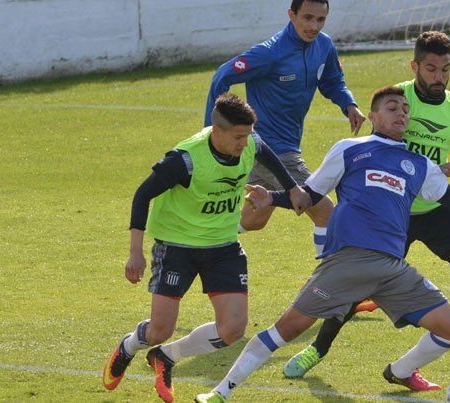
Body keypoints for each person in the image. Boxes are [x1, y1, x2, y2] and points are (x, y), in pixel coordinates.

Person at [194, 86, 450, 402]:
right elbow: (309, 195)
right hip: (347, 263)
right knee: (284, 330)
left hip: (392, 269)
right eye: (392, 108)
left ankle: (400, 371)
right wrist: (272, 197)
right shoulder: (350, 149)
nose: (401, 113)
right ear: (373, 116)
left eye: (405, 110)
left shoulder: (421, 166)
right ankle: (221, 392)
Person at [284, 31, 450, 382]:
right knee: (360, 282)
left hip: (436, 209)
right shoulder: (396, 100)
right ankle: (317, 349)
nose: (439, 77)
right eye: (431, 69)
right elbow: (374, 150)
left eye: (446, 69)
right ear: (415, 67)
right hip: (389, 215)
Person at [101, 93, 311, 403]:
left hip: (223, 246)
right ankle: (129, 346)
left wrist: (292, 188)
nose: (245, 144)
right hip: (177, 247)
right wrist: (135, 253)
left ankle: (167, 356)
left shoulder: (250, 142)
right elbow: (142, 195)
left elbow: (266, 154)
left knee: (232, 330)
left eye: (248, 135)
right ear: (217, 131)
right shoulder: (185, 160)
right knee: (159, 330)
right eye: (238, 137)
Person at [205, 0, 366, 258]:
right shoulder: (270, 53)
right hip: (272, 150)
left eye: (320, 19)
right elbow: (222, 76)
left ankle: (200, 239)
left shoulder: (323, 45)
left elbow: (332, 81)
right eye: (307, 18)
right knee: (327, 214)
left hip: (281, 147)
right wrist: (212, 129)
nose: (314, 26)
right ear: (292, 15)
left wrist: (349, 104)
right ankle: (328, 281)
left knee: (254, 219)